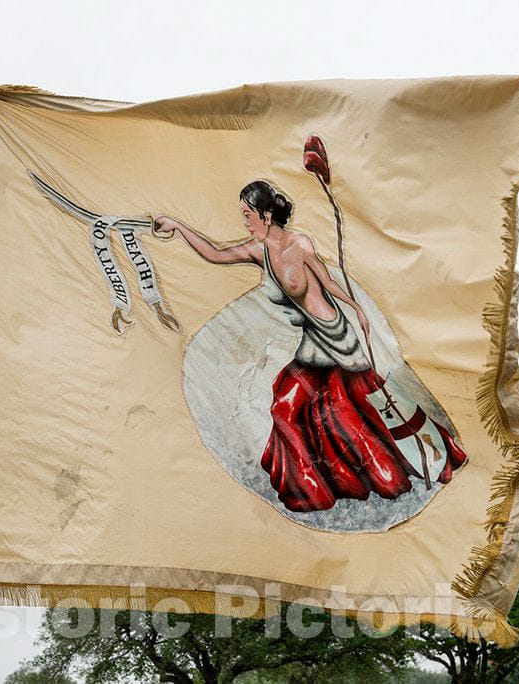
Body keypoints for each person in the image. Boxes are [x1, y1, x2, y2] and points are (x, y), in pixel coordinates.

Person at [154, 180, 463, 512]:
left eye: (248, 215)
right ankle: (313, 486)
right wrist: (177, 226)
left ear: (267, 215)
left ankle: (400, 465)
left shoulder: (299, 244)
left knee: (357, 406)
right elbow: (215, 254)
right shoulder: (257, 251)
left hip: (335, 336)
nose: (245, 223)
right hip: (311, 342)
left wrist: (356, 308)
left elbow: (327, 282)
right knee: (288, 406)